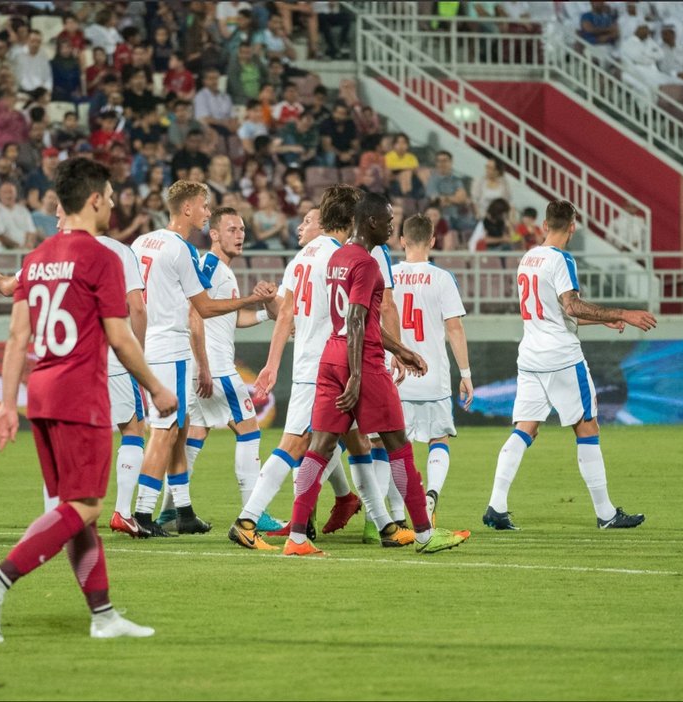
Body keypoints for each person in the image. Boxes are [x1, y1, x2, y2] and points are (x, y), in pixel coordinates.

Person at [0, 157, 177, 642]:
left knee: (77, 509)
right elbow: (121, 337)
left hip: (41, 392)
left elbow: (18, 338)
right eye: (111, 195)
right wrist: (156, 387)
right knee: (83, 507)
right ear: (96, 199)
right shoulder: (104, 256)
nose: (114, 204)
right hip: (81, 394)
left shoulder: (37, 257)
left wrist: (5, 404)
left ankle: (103, 615)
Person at [278, 192, 470, 556]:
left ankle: (298, 537)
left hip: (330, 356)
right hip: (360, 362)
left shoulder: (338, 257)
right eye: (387, 219)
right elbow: (356, 318)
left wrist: (401, 349)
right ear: (369, 222)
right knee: (399, 446)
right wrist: (356, 376)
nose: (392, 225)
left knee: (317, 449)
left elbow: (357, 318)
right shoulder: (367, 264)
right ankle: (426, 534)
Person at [234, 190, 409, 551]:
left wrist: (272, 362)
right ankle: (247, 520)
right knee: (295, 444)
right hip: (327, 364)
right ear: (352, 221)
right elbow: (356, 318)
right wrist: (401, 350)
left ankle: (386, 527)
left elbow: (284, 312)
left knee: (358, 443)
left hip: (310, 361)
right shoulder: (343, 258)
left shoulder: (302, 256)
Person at [483, 200, 656, 531]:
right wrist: (623, 313)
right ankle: (606, 514)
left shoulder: (527, 258)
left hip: (531, 354)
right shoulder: (562, 259)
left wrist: (597, 322)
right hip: (561, 357)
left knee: (525, 428)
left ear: (544, 225)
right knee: (587, 427)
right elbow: (571, 305)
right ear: (573, 226)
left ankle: (496, 505)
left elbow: (552, 311)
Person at [129, 181, 276, 537]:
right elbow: (202, 311)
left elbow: (135, 300)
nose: (208, 210)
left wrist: (262, 315)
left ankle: (179, 511)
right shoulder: (191, 255)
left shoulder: (142, 242)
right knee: (171, 432)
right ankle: (145, 514)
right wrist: (250, 303)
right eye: (205, 206)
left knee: (185, 433)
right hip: (183, 353)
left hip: (152, 346)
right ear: (188, 209)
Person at [165, 208, 279, 528]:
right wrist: (203, 365)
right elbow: (194, 314)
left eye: (242, 229)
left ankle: (170, 509)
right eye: (231, 230)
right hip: (213, 367)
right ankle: (252, 512)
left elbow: (229, 317)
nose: (239, 235)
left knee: (194, 437)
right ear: (214, 234)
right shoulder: (211, 266)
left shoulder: (223, 271)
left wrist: (263, 315)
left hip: (204, 366)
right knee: (248, 428)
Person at [392, 215, 473, 525]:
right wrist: (465, 374)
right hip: (433, 376)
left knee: (394, 447)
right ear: (433, 241)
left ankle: (397, 518)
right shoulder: (441, 278)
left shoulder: (389, 276)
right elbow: (454, 328)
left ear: (401, 241)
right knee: (439, 440)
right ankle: (431, 496)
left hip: (396, 376)